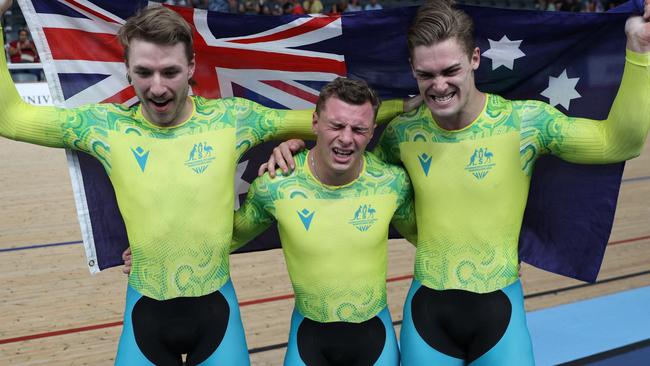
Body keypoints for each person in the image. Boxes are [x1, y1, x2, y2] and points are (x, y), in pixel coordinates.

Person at [0, 1, 412, 364]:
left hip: (218, 316)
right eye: (144, 72)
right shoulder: (102, 126)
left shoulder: (233, 120)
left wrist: (410, 104)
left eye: (170, 71)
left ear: (192, 68)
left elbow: (326, 123)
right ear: (127, 68)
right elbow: (12, 119)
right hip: (145, 312)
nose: (157, 86)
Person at [260, 0, 650, 364]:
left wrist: (639, 50)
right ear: (413, 71)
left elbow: (619, 142)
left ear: (475, 59)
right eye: (426, 74)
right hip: (427, 319)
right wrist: (300, 151)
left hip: (501, 312)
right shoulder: (403, 133)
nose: (439, 85)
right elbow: (354, 177)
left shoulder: (526, 123)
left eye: (450, 71)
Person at [123, 77, 418, 365]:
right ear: (315, 123)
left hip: (376, 345)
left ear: (372, 132)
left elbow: (425, 236)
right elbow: (230, 237)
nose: (345, 137)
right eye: (336, 125)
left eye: (358, 129)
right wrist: (160, 255)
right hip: (308, 345)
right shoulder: (275, 185)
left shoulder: (393, 183)